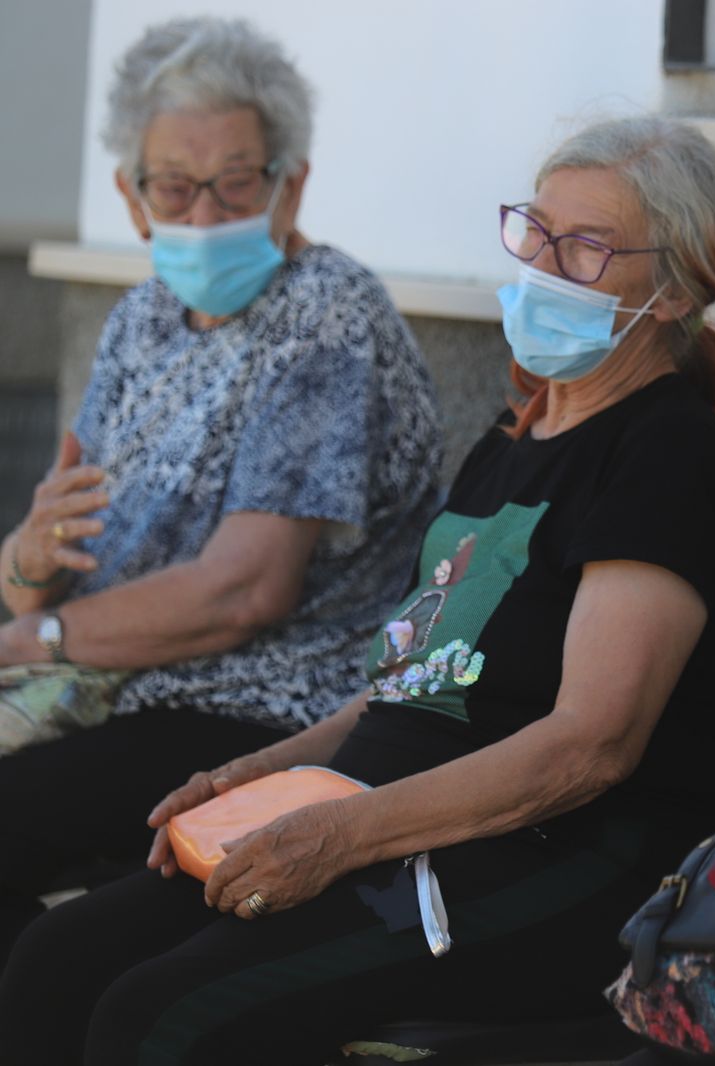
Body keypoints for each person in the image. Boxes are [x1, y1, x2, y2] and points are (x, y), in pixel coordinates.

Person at [0, 114, 715, 1065]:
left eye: (589, 246)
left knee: (161, 1017)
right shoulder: (514, 440)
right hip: (382, 817)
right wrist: (257, 778)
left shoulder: (671, 456)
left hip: (548, 859)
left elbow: (591, 747)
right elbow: (412, 681)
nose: (544, 264)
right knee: (57, 959)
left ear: (674, 289)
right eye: (536, 230)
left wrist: (340, 834)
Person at [0, 17, 440, 953]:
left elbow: (246, 590)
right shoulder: (140, 320)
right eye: (174, 186)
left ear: (290, 187)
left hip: (256, 712)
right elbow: (54, 560)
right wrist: (25, 565)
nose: (204, 215)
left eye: (236, 181)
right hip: (123, 690)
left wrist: (33, 635)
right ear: (132, 197)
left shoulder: (325, 315)